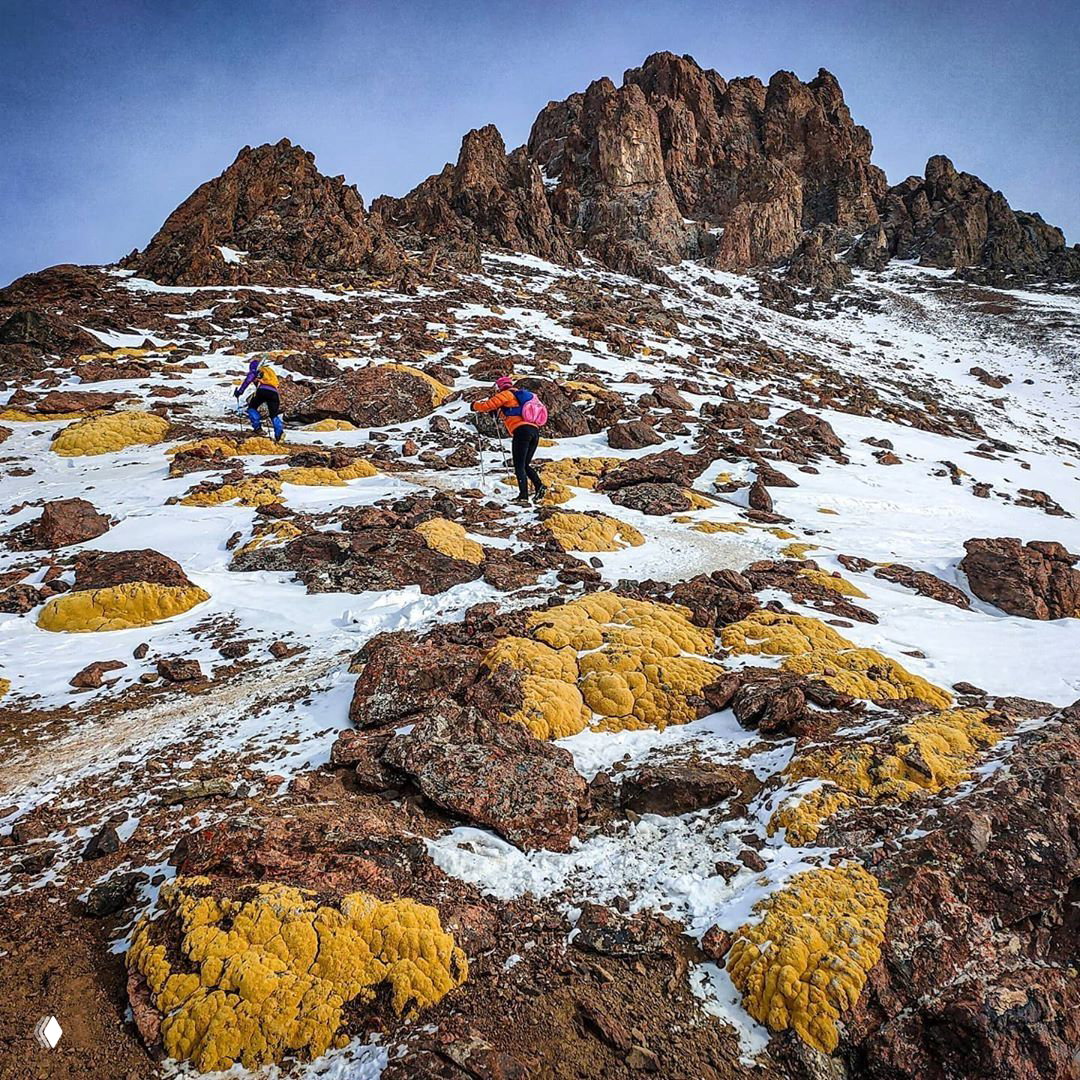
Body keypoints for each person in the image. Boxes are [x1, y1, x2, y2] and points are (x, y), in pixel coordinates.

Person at [471, 376, 546, 504]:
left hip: (521, 432)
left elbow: (487, 406)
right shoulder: (518, 397)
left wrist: (474, 406)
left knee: (519, 466)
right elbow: (511, 413)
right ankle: (539, 487)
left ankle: (523, 497)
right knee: (525, 464)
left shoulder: (506, 394)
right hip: (534, 431)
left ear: (500, 387)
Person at [235, 354, 284, 441]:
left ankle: (257, 428)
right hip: (274, 393)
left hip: (262, 391)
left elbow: (248, 380)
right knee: (273, 415)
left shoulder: (256, 371)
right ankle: (279, 433)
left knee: (252, 408)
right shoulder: (269, 371)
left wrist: (239, 392)